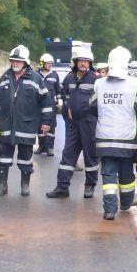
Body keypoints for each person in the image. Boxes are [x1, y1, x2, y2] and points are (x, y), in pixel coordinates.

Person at [89, 46, 137, 220]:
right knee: (126, 172)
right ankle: (126, 202)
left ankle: (109, 210)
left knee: (108, 174)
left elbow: (92, 106)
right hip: (127, 139)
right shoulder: (134, 84)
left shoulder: (99, 84)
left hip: (104, 138)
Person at [0, 45, 52, 196]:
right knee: (3, 158)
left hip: (27, 125)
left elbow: (46, 101)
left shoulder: (36, 78)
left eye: (18, 61)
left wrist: (46, 122)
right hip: (6, 125)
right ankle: (2, 185)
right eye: (13, 60)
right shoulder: (5, 77)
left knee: (25, 158)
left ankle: (25, 185)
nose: (15, 63)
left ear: (25, 62)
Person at [45, 43, 100, 199]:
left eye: (86, 61)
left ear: (90, 63)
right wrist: (67, 108)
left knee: (90, 155)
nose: (83, 63)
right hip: (73, 124)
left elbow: (99, 102)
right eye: (80, 60)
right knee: (68, 154)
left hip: (89, 124)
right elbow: (65, 96)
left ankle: (90, 186)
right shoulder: (69, 78)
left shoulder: (96, 79)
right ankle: (62, 187)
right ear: (75, 62)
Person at [36, 53, 63, 156]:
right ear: (42, 63)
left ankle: (50, 148)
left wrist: (59, 101)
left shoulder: (54, 75)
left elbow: (58, 90)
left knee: (51, 126)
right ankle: (41, 147)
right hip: (38, 105)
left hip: (51, 104)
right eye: (48, 63)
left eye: (51, 63)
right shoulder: (36, 75)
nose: (50, 65)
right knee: (39, 126)